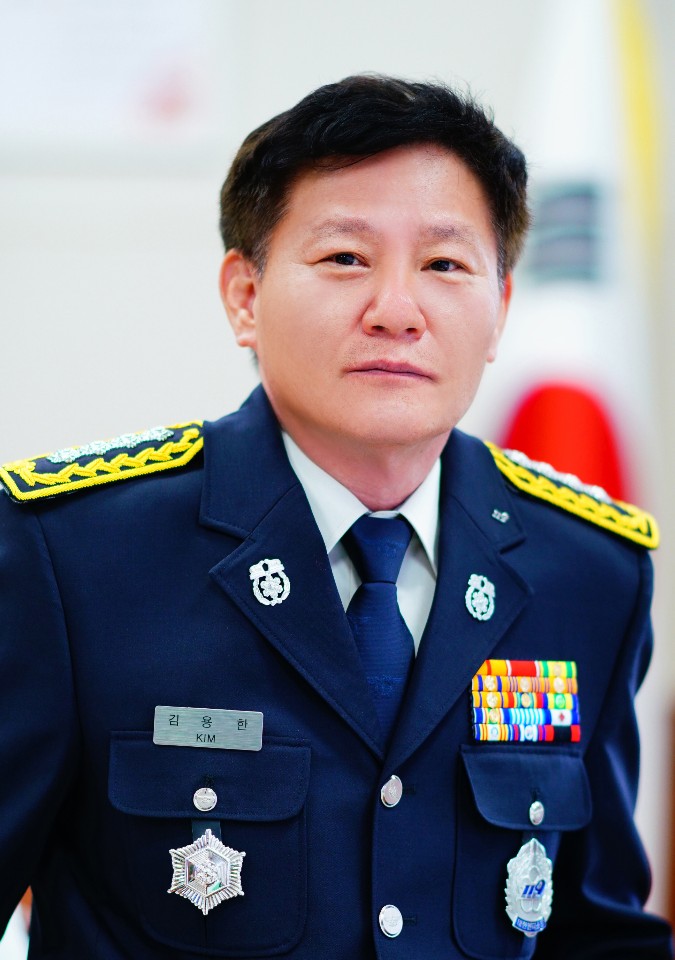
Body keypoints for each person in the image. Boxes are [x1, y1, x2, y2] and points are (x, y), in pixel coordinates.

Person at [0, 75, 672, 960]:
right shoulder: (71, 553)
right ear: (244, 296)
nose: (396, 312)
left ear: (501, 308)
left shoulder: (588, 572)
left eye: (444, 266)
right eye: (345, 258)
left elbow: (595, 933)